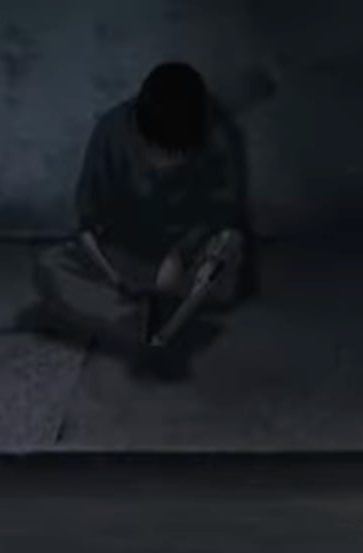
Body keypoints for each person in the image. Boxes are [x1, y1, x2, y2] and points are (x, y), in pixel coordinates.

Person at [24, 61, 254, 380]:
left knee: (231, 248)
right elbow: (88, 225)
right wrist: (115, 278)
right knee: (50, 265)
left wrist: (184, 253)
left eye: (180, 153)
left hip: (186, 257)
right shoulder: (111, 131)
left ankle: (172, 305)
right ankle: (134, 320)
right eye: (160, 151)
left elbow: (223, 212)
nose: (169, 163)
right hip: (124, 255)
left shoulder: (218, 133)